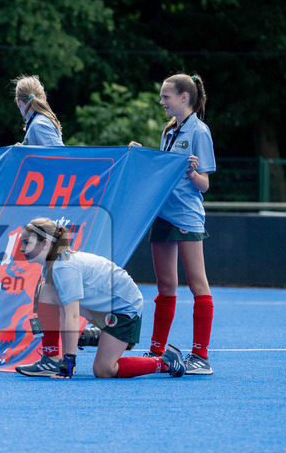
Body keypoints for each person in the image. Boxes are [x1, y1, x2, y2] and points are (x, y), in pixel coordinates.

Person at [13, 217, 185, 379]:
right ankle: (51, 360)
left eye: (27, 242)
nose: (22, 249)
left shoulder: (64, 268)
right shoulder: (54, 266)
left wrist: (70, 358)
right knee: (46, 291)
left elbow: (72, 315)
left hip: (125, 310)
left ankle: (166, 362)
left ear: (45, 244)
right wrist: (65, 359)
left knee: (103, 370)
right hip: (105, 306)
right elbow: (66, 311)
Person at [129, 73, 215, 375]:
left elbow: (204, 184)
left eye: (166, 96)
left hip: (186, 216)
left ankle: (201, 357)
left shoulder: (199, 132)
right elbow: (162, 171)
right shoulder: (169, 131)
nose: (162, 101)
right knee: (165, 285)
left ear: (184, 98)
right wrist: (141, 155)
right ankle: (156, 351)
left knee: (196, 282)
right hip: (163, 215)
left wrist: (194, 174)